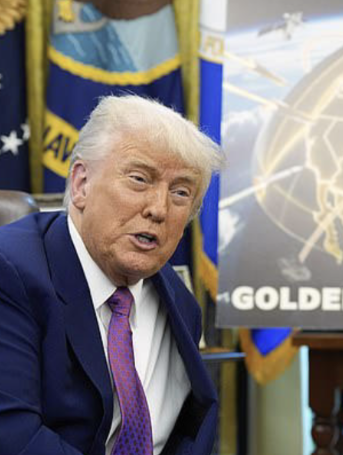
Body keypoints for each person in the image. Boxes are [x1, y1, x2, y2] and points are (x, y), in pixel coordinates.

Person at [0, 95, 224, 455]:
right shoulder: (11, 272)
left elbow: (188, 434)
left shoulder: (179, 302)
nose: (158, 209)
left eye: (181, 192)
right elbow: (13, 437)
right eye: (139, 179)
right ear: (81, 183)